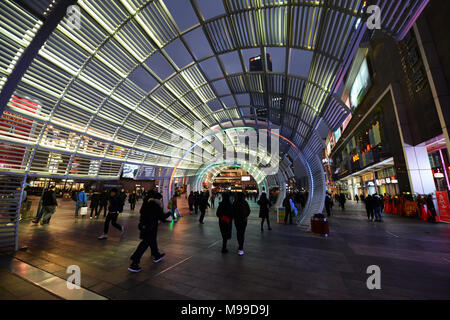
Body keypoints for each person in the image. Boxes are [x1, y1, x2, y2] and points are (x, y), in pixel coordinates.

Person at [128, 191, 171, 272]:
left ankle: (156, 255)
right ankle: (134, 263)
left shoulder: (146, 204)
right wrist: (170, 212)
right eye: (160, 199)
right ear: (158, 199)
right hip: (150, 229)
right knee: (144, 244)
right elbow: (162, 218)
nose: (161, 201)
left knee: (152, 241)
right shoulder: (155, 206)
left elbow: (142, 214)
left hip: (144, 227)